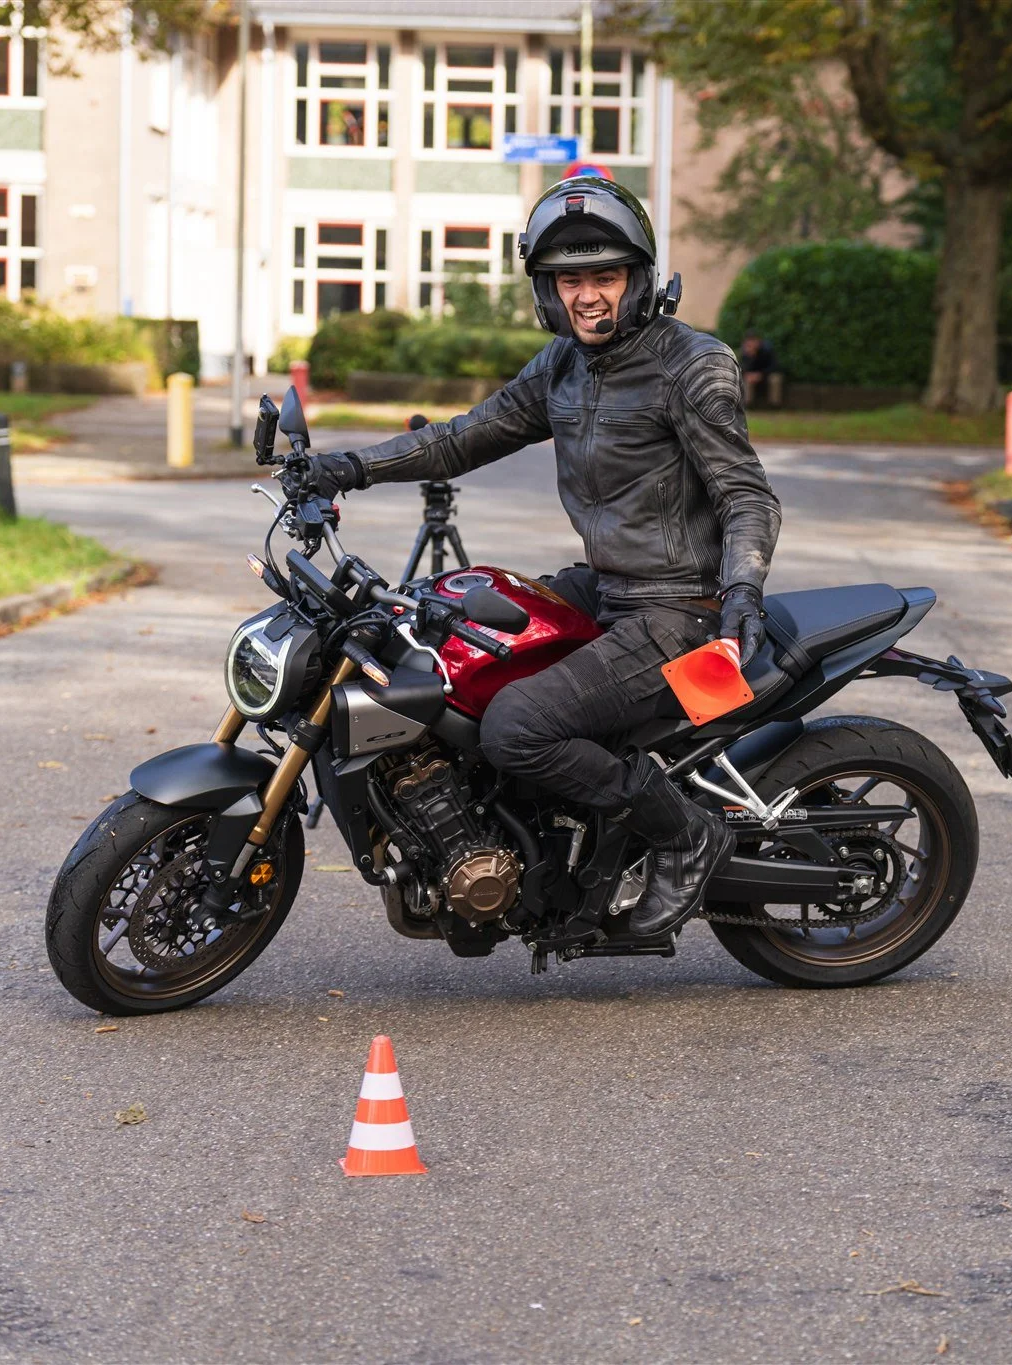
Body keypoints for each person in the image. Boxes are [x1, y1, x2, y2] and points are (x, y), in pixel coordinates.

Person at [302, 177, 781, 939]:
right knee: (443, 635)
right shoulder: (562, 366)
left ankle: (684, 834)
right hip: (607, 587)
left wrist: (742, 593)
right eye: (570, 279)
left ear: (639, 276)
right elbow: (462, 437)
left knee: (519, 725)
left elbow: (746, 496)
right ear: (547, 290)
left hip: (678, 606)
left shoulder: (692, 365)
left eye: (605, 276)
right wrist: (348, 467)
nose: (588, 296)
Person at [740, 331, 783, 409]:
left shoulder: (767, 349)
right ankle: (748, 405)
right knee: (746, 379)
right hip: (753, 376)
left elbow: (774, 366)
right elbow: (743, 369)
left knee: (775, 379)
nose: (750, 344)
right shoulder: (745, 352)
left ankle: (774, 405)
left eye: (753, 341)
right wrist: (751, 357)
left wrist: (761, 375)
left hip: (767, 374)